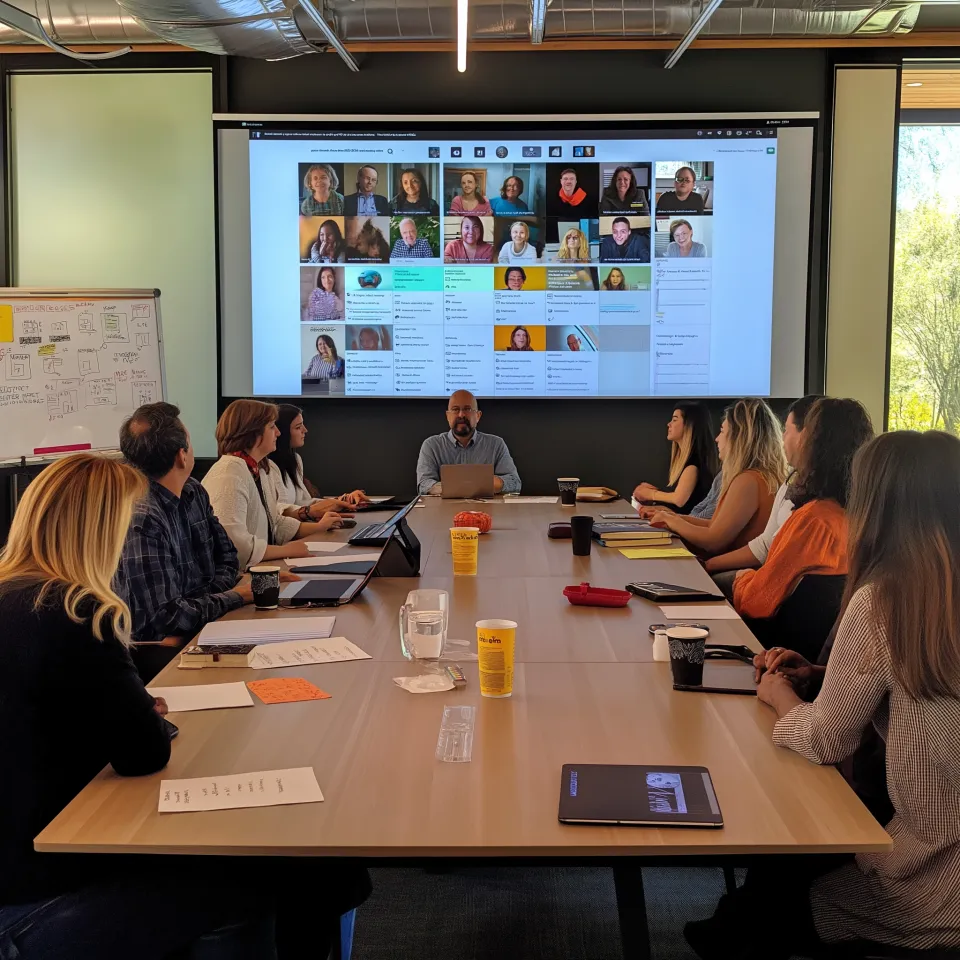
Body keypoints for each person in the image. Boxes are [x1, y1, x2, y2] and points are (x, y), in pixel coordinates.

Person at [0, 453, 371, 959]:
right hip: (40, 899)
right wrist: (139, 714)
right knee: (307, 859)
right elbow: (144, 753)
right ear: (101, 529)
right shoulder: (75, 611)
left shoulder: (17, 597)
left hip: (24, 868)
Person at [687, 430, 960, 959]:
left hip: (929, 882)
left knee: (774, 875)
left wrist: (776, 695)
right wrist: (819, 674)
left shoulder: (884, 602)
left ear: (876, 507)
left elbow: (823, 740)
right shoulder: (936, 599)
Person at [116, 403, 252, 678]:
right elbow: (168, 618)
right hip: (161, 654)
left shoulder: (193, 491)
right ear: (182, 455)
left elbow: (227, 557)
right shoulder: (142, 518)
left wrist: (212, 599)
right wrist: (234, 597)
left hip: (205, 625)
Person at [731, 398, 874, 620]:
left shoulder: (812, 521)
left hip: (771, 645)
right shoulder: (866, 521)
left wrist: (743, 577)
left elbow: (754, 603)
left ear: (812, 444)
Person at [202, 399, 346, 569]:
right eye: (271, 427)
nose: (278, 433)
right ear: (252, 432)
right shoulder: (229, 471)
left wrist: (319, 527)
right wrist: (285, 550)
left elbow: (275, 524)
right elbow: (233, 543)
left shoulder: (261, 469)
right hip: (235, 580)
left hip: (258, 570)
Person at [650, 398, 786, 557]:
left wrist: (672, 521)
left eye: (722, 431)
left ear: (738, 437)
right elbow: (713, 525)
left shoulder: (748, 480)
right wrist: (672, 517)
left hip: (731, 570)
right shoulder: (760, 475)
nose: (717, 438)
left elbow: (712, 541)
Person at [705, 395, 819, 577]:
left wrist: (708, 564)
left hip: (768, 580)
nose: (782, 438)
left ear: (804, 437)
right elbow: (766, 543)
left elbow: (713, 540)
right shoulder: (788, 482)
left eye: (787, 431)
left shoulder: (749, 480)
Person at [269, 404, 368, 520]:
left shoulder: (295, 459)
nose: (305, 430)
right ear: (282, 432)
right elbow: (278, 512)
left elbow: (303, 502)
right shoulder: (267, 466)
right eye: (298, 427)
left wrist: (343, 501)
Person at [416, 389, 521, 495]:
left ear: (478, 416)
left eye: (467, 409)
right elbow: (424, 484)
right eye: (455, 409)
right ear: (448, 416)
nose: (461, 415)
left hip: (486, 510)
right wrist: (464, 486)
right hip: (444, 510)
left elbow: (515, 483)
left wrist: (489, 483)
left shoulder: (496, 444)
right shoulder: (431, 445)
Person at [633, 403, 718, 515]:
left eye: (675, 420)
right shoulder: (686, 462)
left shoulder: (693, 465)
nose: (669, 424)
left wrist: (650, 493)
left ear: (690, 425)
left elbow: (679, 499)